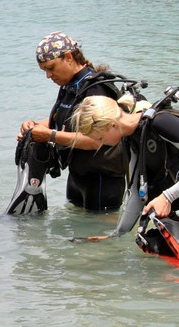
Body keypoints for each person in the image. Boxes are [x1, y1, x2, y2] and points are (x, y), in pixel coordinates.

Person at [70, 95, 179, 250]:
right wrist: (117, 234)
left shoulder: (161, 122)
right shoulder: (134, 138)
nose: (101, 144)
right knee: (155, 252)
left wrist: (167, 197)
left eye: (100, 138)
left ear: (111, 125)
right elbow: (136, 194)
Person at [18, 32, 130, 211]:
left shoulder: (96, 89)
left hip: (102, 179)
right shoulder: (70, 86)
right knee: (76, 223)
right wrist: (35, 126)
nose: (48, 75)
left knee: (100, 227)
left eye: (51, 68)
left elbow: (97, 140)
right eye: (45, 70)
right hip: (77, 176)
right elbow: (65, 120)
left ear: (69, 57)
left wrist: (50, 136)